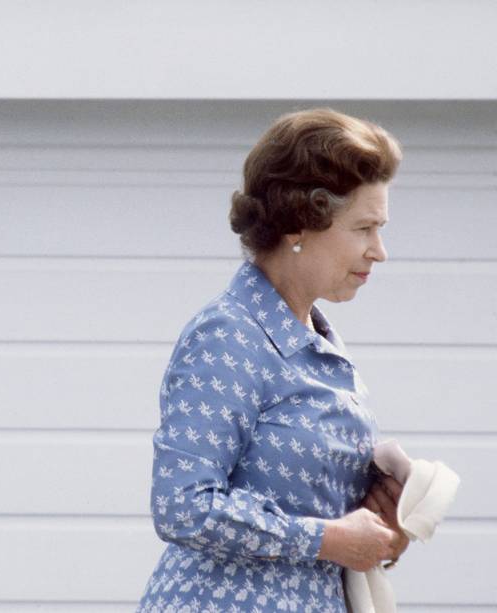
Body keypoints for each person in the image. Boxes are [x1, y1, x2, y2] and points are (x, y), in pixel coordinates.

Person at [137, 109, 410, 613]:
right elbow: (181, 505)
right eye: (365, 228)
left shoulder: (320, 339)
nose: (380, 251)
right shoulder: (229, 334)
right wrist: (325, 539)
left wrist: (381, 517)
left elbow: (316, 512)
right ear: (299, 224)